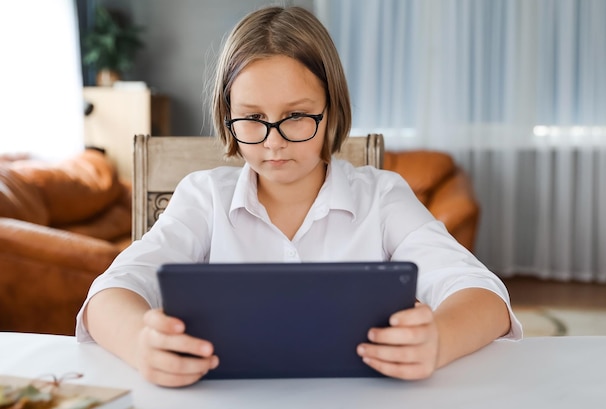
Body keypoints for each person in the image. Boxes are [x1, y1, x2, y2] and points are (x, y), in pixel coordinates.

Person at [76, 5, 522, 388]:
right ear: (226, 115)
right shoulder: (204, 196)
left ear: (331, 113)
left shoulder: (383, 197)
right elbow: (109, 293)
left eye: (297, 116)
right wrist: (140, 341)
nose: (274, 142)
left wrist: (439, 338)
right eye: (252, 117)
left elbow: (484, 296)